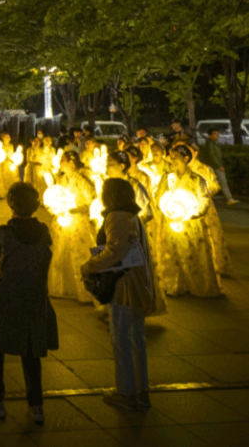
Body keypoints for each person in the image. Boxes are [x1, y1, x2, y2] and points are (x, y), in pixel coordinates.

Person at [0, 183, 58, 427]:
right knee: (31, 350)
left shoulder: (4, 232)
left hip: (5, 293)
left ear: (11, 205)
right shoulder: (43, 231)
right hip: (34, 293)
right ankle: (36, 405)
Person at [81, 178, 156, 413]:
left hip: (124, 285)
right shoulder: (133, 216)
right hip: (137, 282)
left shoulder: (117, 217)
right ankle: (140, 391)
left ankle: (126, 392)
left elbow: (116, 251)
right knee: (137, 340)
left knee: (122, 338)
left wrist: (90, 266)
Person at [154, 145, 221, 297]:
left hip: (191, 224)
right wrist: (166, 210)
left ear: (186, 159)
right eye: (171, 157)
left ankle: (196, 285)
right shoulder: (167, 178)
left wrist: (191, 214)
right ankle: (175, 284)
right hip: (171, 222)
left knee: (193, 254)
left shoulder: (197, 179)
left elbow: (203, 201)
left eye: (176, 157)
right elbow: (159, 197)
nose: (173, 161)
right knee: (173, 254)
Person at [47, 151, 96, 302]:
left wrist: (73, 209)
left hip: (78, 222)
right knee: (61, 252)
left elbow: (92, 202)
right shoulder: (61, 179)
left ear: (72, 163)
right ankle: (62, 288)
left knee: (79, 254)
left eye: (63, 160)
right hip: (63, 221)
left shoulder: (82, 180)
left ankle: (84, 292)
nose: (60, 163)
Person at [199, 129, 239, 205]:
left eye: (217, 134)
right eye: (216, 134)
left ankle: (205, 199)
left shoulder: (213, 143)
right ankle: (229, 199)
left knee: (210, 183)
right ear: (211, 135)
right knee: (222, 183)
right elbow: (212, 156)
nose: (218, 136)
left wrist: (222, 156)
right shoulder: (211, 144)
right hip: (214, 166)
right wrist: (219, 165)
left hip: (213, 166)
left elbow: (215, 154)